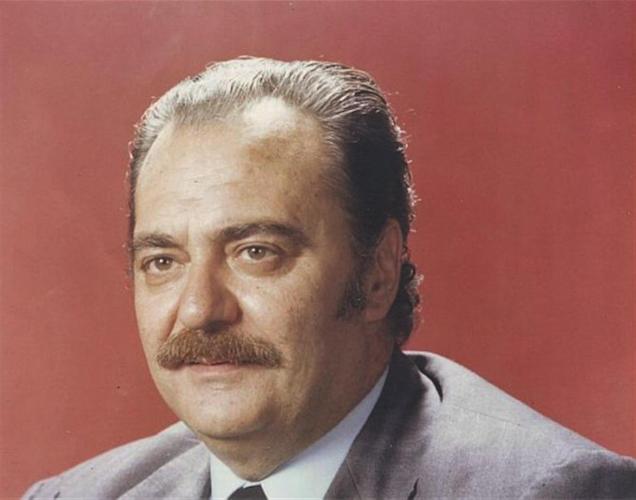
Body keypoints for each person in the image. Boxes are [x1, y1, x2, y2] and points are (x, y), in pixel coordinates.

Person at [24, 57, 635, 500]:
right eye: (163, 261)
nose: (198, 310)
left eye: (255, 252)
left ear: (377, 273)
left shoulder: (548, 490)